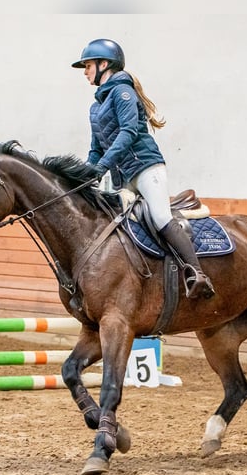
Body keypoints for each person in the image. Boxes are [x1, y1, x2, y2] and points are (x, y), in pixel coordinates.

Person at [72, 38, 215, 299]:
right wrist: (84, 175)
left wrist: (102, 166)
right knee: (116, 225)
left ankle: (197, 273)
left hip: (146, 168)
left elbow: (127, 132)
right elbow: (96, 148)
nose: (85, 71)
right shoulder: (96, 107)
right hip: (123, 176)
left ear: (105, 64)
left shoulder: (123, 92)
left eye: (88, 65)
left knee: (160, 217)